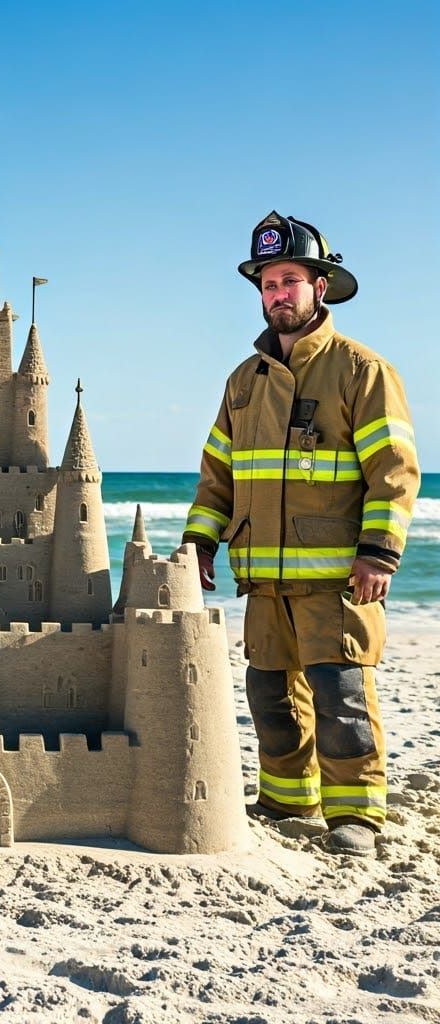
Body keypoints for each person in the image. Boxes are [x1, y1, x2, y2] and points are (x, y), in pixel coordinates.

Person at [183, 212, 419, 857]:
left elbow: (393, 473)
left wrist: (378, 553)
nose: (276, 294)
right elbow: (218, 474)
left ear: (320, 284)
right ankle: (288, 801)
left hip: (338, 578)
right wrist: (200, 544)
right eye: (266, 284)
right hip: (261, 578)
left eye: (289, 280)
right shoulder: (244, 380)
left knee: (341, 698)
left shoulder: (360, 370)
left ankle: (358, 817)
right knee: (270, 696)